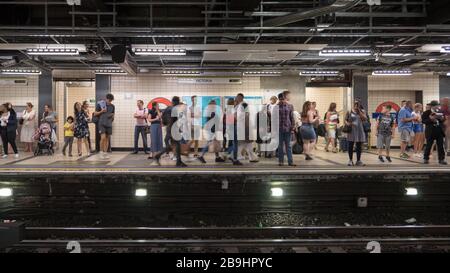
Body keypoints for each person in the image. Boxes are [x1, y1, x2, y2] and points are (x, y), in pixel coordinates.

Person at [153, 96, 187, 167]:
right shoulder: (175, 109)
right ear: (176, 102)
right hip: (173, 128)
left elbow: (163, 118)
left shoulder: (168, 108)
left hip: (169, 128)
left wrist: (167, 125)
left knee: (172, 146)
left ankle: (159, 156)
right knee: (176, 145)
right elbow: (175, 120)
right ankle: (178, 162)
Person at [422, 100, 447, 165]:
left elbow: (443, 120)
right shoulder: (426, 113)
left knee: (440, 146)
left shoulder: (440, 112)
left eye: (438, 105)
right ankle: (426, 158)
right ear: (432, 106)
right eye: (436, 106)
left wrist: (442, 119)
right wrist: (430, 118)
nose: (437, 107)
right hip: (430, 131)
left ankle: (441, 159)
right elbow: (424, 121)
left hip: (439, 131)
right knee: (429, 145)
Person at [345, 102, 367, 166]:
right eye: (355, 105)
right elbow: (345, 120)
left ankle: (358, 160)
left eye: (357, 105)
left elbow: (364, 119)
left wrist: (359, 111)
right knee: (350, 145)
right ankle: (350, 160)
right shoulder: (349, 111)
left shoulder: (362, 111)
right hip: (351, 130)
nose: (356, 107)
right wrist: (347, 123)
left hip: (360, 130)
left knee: (359, 146)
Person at [94, 93, 115, 159]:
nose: (110, 102)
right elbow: (95, 113)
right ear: (106, 99)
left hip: (109, 124)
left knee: (107, 138)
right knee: (103, 138)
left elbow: (113, 113)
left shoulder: (112, 106)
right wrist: (101, 111)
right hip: (102, 123)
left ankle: (105, 153)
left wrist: (112, 117)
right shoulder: (100, 104)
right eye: (109, 100)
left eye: (111, 100)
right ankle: (101, 152)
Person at [277, 93, 296, 166]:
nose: (282, 101)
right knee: (280, 146)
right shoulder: (276, 107)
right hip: (279, 129)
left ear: (285, 99)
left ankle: (290, 161)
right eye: (281, 99)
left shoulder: (290, 106)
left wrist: (293, 127)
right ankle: (281, 161)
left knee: (288, 145)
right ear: (279, 99)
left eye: (283, 99)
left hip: (288, 128)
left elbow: (292, 117)